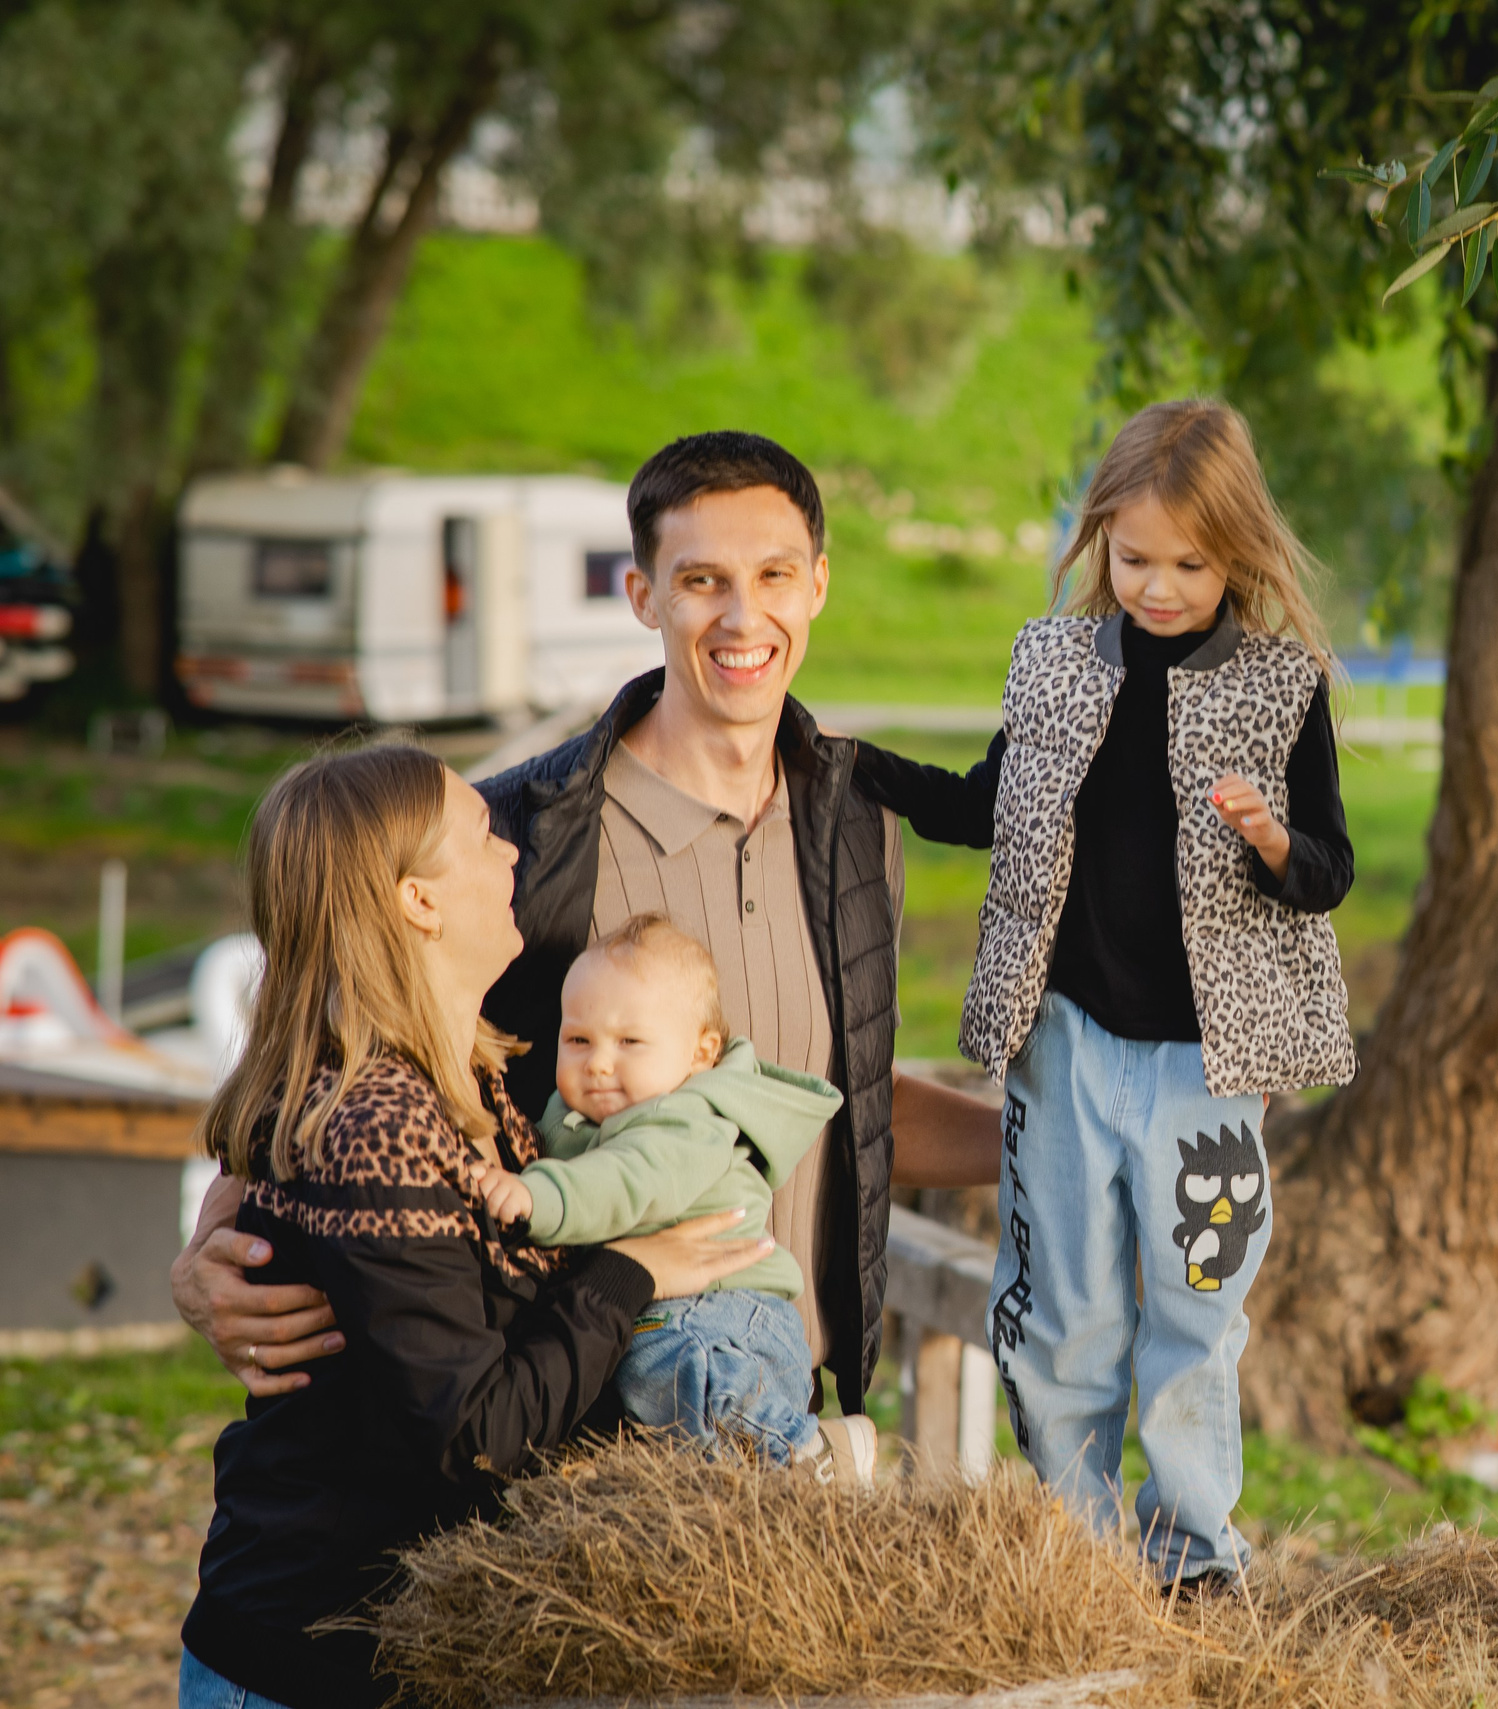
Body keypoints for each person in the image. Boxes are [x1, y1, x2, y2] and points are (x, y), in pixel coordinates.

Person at [173, 431, 1002, 1425]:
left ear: (817, 583)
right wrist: (209, 1242)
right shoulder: (517, 834)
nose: (745, 615)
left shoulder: (857, 825)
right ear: (644, 595)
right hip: (568, 1417)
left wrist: (1054, 1146)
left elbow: (840, 1094)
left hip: (786, 1404)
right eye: (701, 579)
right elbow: (327, 1043)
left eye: (774, 574)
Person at [854, 398, 1355, 1592]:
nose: (1160, 586)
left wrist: (1273, 839)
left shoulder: (1285, 686)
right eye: (1134, 559)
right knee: (1062, 1306)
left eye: (1189, 563)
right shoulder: (1056, 661)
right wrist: (850, 760)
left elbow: (1328, 872)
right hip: (1065, 1040)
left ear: (1238, 553)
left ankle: (1191, 1550)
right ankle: (1074, 1547)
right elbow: (982, 804)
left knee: (1197, 1304)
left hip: (1210, 1063)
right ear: (1098, 543)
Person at [179, 744, 774, 1709]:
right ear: (418, 901)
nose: (510, 854)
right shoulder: (373, 1122)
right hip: (312, 1662)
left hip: (404, 1656)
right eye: (480, 836)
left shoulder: (466, 1083)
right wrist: (629, 1271)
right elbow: (475, 1433)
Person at [471, 913, 870, 1477]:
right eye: (578, 1040)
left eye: (630, 1041)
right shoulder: (582, 1115)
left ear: (701, 1054)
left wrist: (538, 1198)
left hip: (722, 1309)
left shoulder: (688, 1118)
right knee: (666, 1422)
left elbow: (630, 1183)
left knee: (669, 1366)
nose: (599, 1062)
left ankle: (813, 1453)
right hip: (694, 1309)